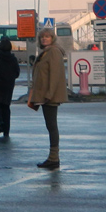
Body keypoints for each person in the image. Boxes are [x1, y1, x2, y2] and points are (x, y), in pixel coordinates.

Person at [28, 27, 67, 169]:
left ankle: (53, 158)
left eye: (48, 37)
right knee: (50, 125)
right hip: (45, 95)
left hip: (50, 96)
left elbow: (55, 75)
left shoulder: (53, 52)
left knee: (52, 126)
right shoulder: (46, 53)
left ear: (52, 39)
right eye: (42, 37)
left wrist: (49, 95)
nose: (44, 39)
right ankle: (53, 157)